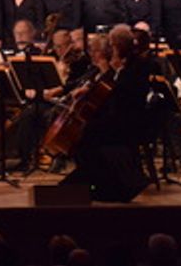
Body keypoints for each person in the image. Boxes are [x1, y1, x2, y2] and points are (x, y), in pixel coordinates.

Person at [60, 25, 150, 202]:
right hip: (113, 116)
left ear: (118, 45)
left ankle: (96, 182)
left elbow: (123, 94)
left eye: (111, 44)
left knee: (87, 134)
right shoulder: (116, 65)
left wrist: (111, 72)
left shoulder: (138, 65)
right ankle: (94, 180)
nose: (109, 47)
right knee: (84, 132)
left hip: (128, 120)